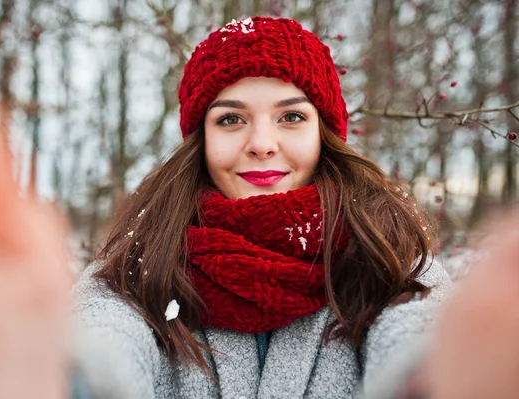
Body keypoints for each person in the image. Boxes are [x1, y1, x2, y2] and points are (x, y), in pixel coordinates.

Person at [72, 16, 452, 398]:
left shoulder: (391, 256)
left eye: (291, 116)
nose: (262, 143)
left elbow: (423, 341)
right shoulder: (137, 268)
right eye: (231, 119)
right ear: (201, 139)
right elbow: (101, 346)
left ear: (323, 134)